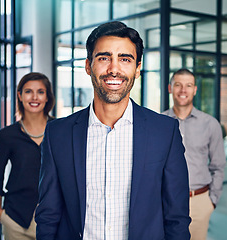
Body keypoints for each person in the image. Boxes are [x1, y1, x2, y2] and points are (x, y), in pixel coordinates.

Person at [35, 21, 190, 240]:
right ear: (88, 65)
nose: (114, 69)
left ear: (137, 69)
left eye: (125, 59)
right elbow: (48, 215)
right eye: (104, 58)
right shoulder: (57, 134)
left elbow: (177, 217)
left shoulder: (165, 132)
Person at [0, 72, 55, 240]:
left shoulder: (59, 130)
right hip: (15, 218)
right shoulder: (7, 135)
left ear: (47, 96)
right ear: (19, 95)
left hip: (52, 217)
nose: (34, 97)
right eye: (28, 91)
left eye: (40, 91)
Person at [162, 68, 226, 240]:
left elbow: (218, 166)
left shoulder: (211, 124)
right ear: (170, 88)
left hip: (199, 201)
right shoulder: (159, 123)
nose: (183, 90)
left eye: (188, 85)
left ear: (195, 89)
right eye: (178, 85)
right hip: (166, 202)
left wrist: (211, 202)